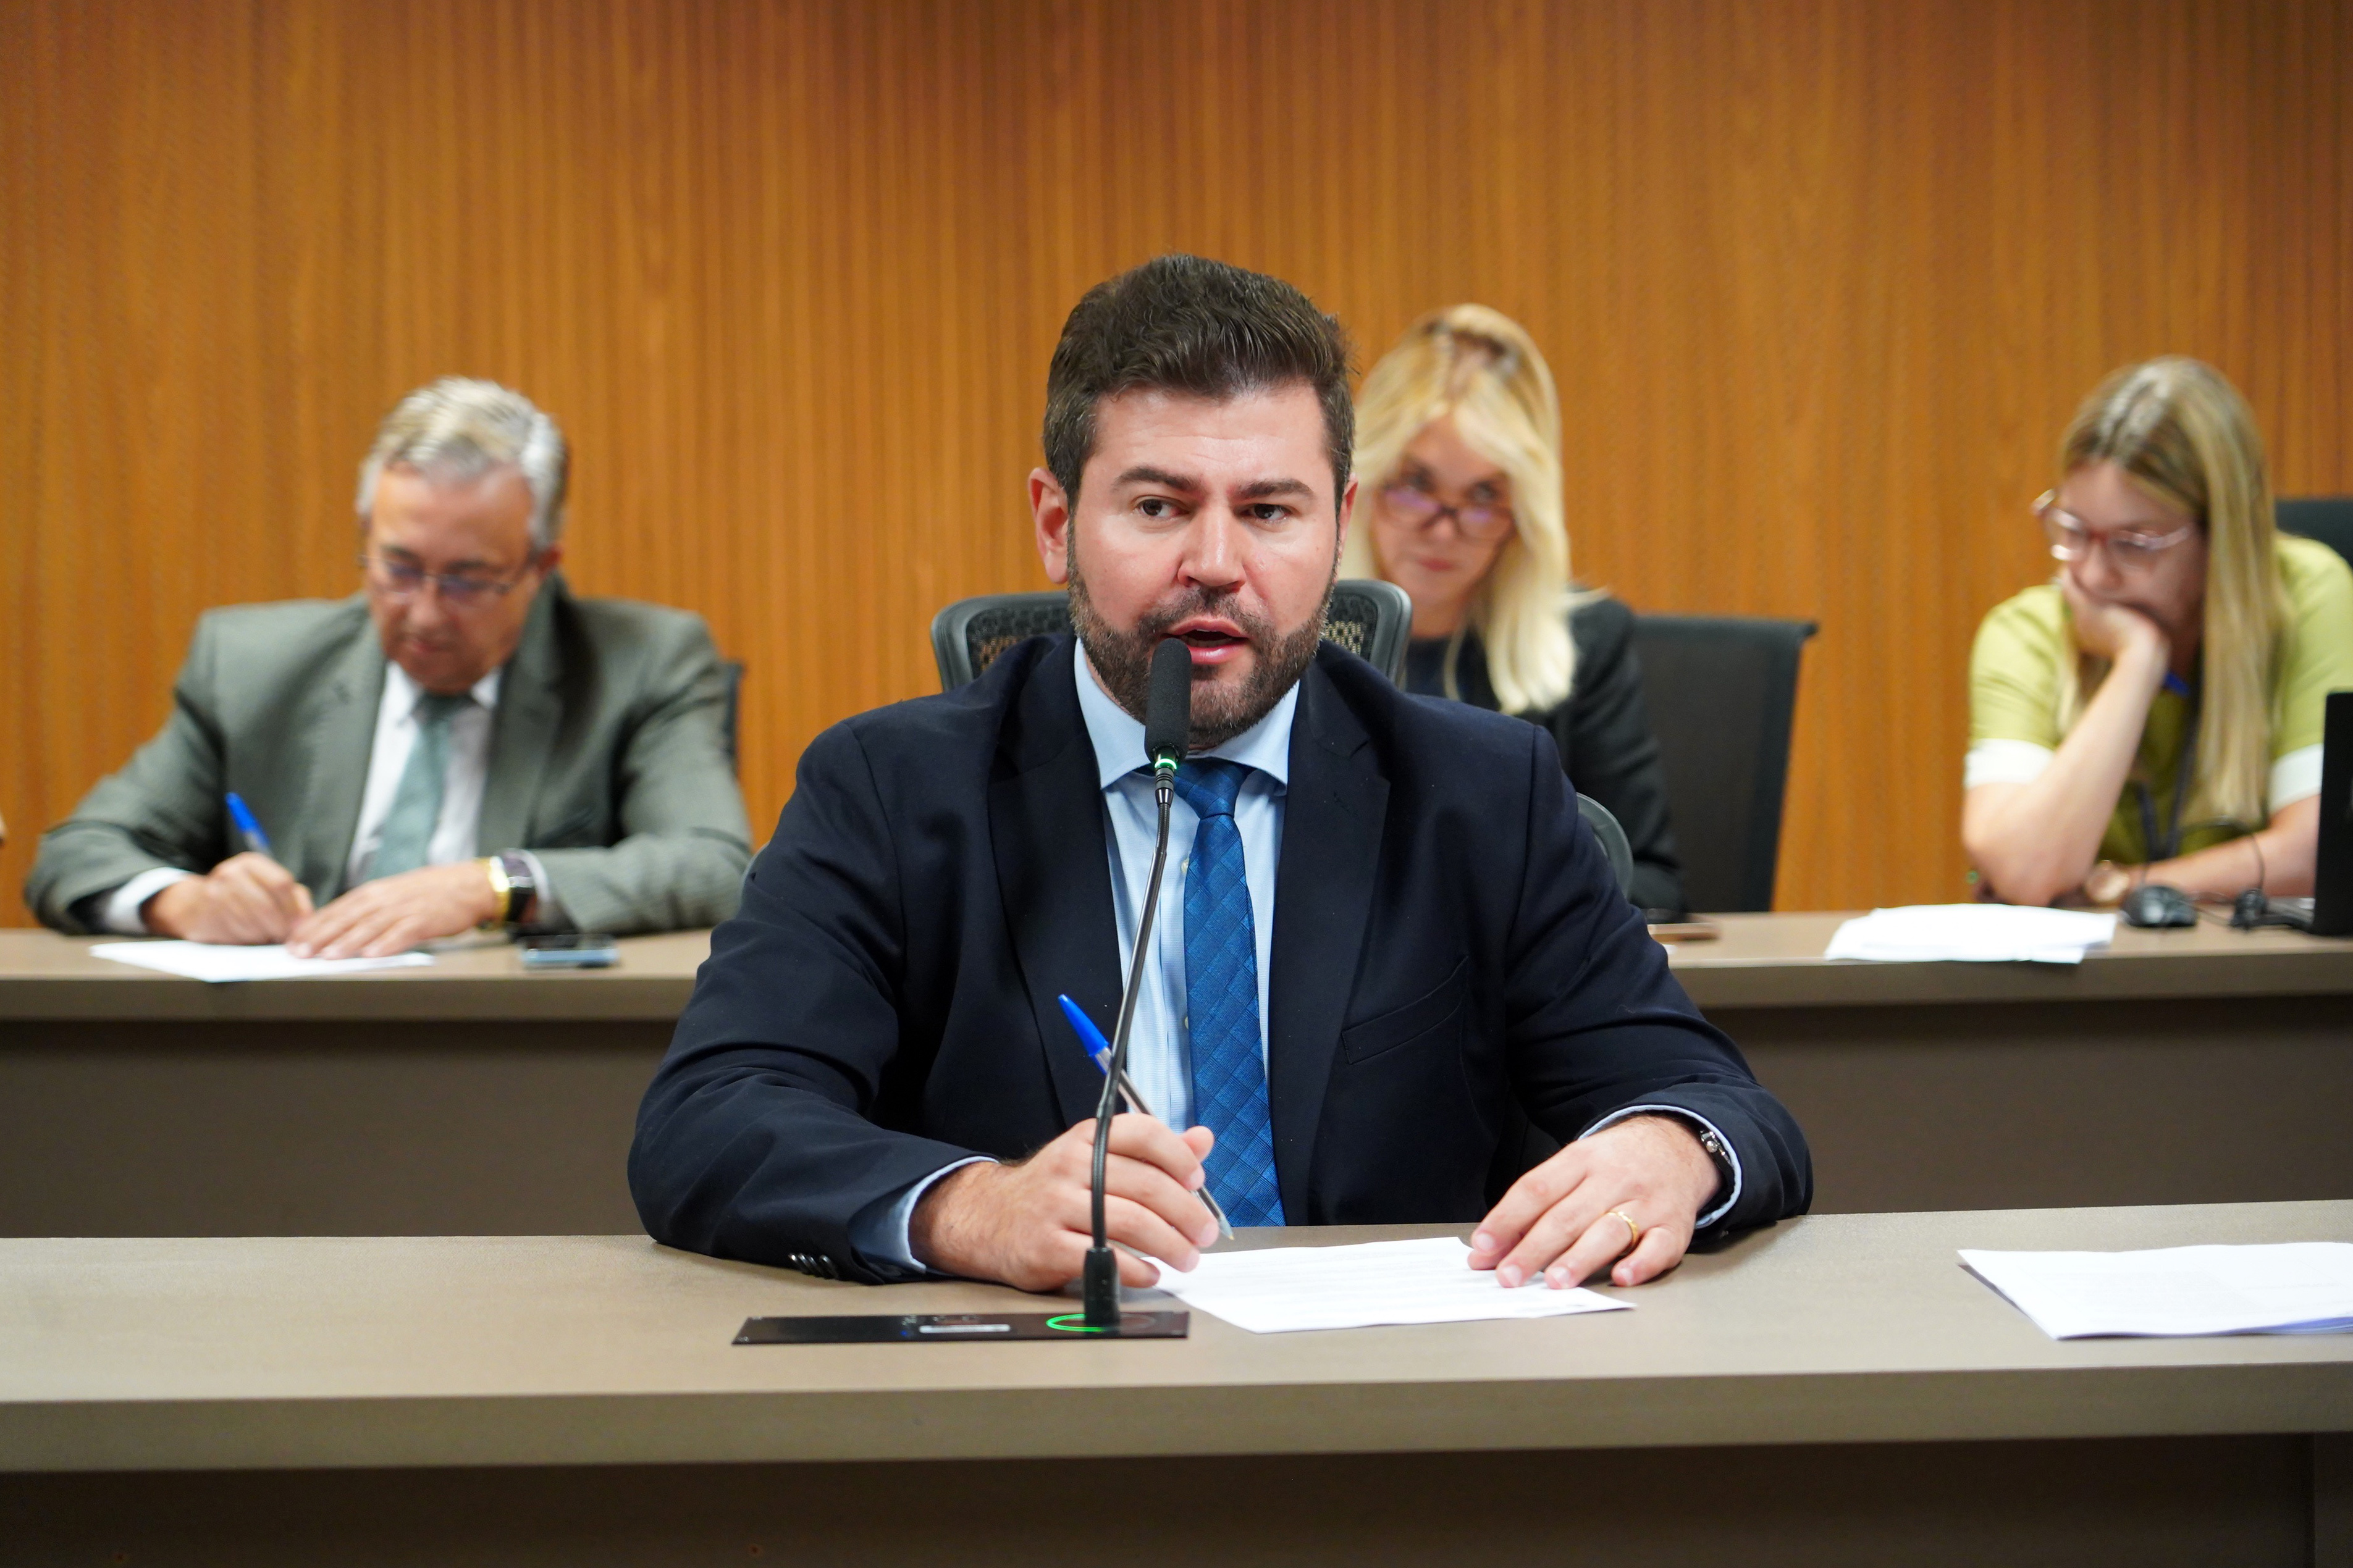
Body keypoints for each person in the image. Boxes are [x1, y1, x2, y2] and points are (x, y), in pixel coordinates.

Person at [629, 256, 1808, 1296]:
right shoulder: (889, 789)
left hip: (1394, 1402)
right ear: (1055, 522)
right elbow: (708, 1120)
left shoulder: (1479, 793)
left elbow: (1722, 1106)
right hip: (1042, 1397)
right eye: (1157, 505)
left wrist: (1669, 1148)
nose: (1213, 563)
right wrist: (969, 1206)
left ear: (1337, 524)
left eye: (1267, 510)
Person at [26, 377, 752, 950]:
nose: (425, 614)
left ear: (540, 566)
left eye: (469, 579)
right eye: (399, 568)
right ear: (366, 533)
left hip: (518, 1053)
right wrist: (184, 902)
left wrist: (492, 885)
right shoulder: (251, 667)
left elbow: (712, 864)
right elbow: (77, 852)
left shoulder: (638, 663)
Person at [1964, 357, 2353, 907]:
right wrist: (2138, 660)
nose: (2093, 574)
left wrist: (2126, 885)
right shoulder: (2025, 632)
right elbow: (2024, 872)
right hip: (2088, 965)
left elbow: (2317, 852)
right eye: (2074, 529)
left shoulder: (2308, 595)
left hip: (2251, 960)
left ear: (2221, 536)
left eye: (2134, 543)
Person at [1344, 306, 1685, 916]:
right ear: (1363, 481)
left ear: (1523, 514)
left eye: (1483, 496)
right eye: (1416, 484)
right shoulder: (1299, 634)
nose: (1442, 530)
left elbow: (1650, 881)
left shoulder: (1585, 643)